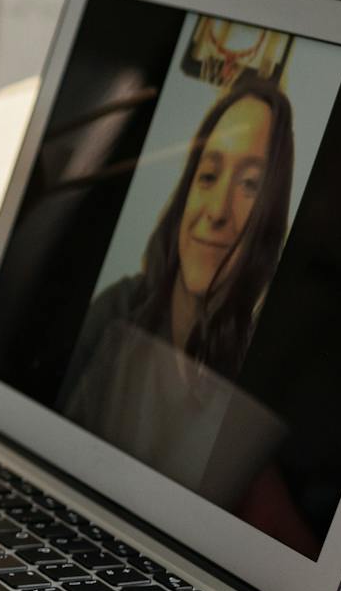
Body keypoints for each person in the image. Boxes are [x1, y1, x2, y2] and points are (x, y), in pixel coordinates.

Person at [60, 75, 294, 503]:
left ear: (270, 214)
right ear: (188, 187)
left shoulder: (256, 374)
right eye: (208, 175)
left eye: (248, 185)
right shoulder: (115, 314)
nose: (217, 211)